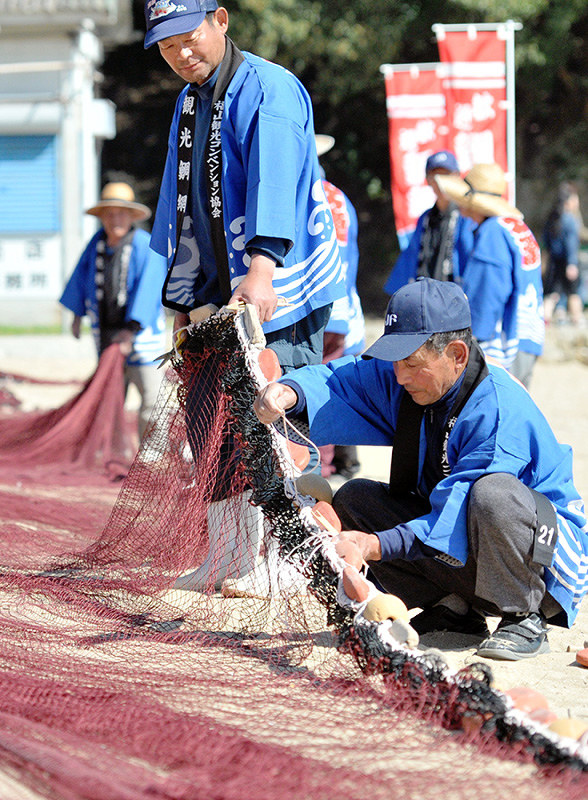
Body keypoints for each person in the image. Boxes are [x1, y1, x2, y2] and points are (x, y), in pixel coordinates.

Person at [254, 278, 588, 661]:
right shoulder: (410, 379)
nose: (400, 376)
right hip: (470, 542)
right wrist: (290, 391)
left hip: (543, 560)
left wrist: (373, 545)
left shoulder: (495, 407)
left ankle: (523, 615)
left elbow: (459, 512)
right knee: (356, 500)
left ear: (457, 354)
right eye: (396, 360)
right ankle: (455, 607)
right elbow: (341, 382)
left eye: (412, 363)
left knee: (492, 494)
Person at [144, 0, 345, 594]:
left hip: (277, 278)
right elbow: (178, 205)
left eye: (189, 37)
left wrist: (261, 271)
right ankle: (231, 555)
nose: (181, 54)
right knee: (211, 413)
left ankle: (288, 560)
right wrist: (180, 301)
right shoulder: (188, 99)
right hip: (217, 287)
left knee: (274, 406)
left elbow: (274, 183)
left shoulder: (270, 90)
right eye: (166, 46)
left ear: (221, 21)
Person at [60, 182, 168, 442]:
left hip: (141, 338)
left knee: (151, 400)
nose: (115, 219)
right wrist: (77, 315)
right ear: (102, 217)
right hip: (107, 336)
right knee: (111, 400)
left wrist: (131, 331)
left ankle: (150, 456)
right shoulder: (96, 244)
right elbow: (81, 278)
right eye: (109, 213)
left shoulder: (146, 245)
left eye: (121, 213)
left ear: (131, 216)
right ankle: (114, 451)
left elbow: (150, 287)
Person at [436, 163, 545, 389]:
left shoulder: (493, 233)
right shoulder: (517, 227)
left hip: (504, 342)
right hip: (528, 335)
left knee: (493, 409)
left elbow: (488, 293)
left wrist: (470, 337)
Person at [315, 134, 365, 483]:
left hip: (312, 307)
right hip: (342, 305)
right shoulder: (340, 197)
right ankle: (329, 464)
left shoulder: (302, 194)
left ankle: (316, 466)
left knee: (309, 385)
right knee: (330, 385)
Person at [383, 150, 474, 296]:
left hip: (457, 299)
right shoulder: (425, 218)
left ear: (457, 176)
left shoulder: (467, 217)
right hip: (427, 299)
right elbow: (411, 259)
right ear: (427, 179)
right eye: (435, 176)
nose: (440, 181)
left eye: (446, 175)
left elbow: (472, 262)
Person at [543, 182, 584, 327]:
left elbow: (546, 241)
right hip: (567, 262)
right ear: (569, 201)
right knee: (574, 293)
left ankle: (545, 321)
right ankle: (577, 320)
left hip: (554, 261)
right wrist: (572, 264)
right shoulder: (570, 220)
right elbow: (571, 244)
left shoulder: (552, 218)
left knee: (552, 293)